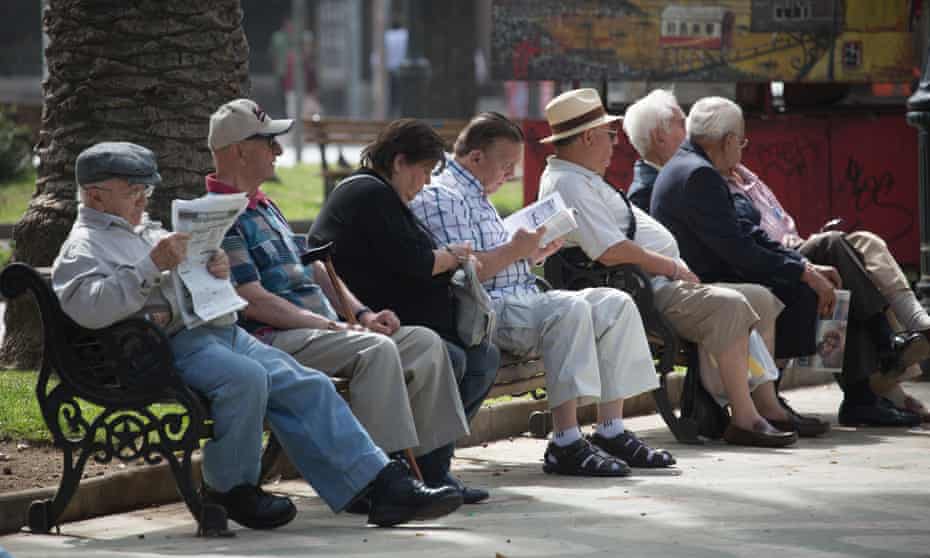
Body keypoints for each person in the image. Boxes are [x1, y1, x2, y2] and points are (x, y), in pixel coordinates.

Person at [52, 141, 463, 530]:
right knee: (246, 378)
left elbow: (181, 280)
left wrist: (211, 268)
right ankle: (231, 488)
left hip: (212, 331)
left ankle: (380, 484)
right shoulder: (84, 247)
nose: (143, 199)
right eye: (133, 190)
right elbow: (90, 308)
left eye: (145, 189)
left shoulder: (143, 231)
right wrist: (148, 267)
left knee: (309, 383)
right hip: (160, 349)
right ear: (95, 196)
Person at [204, 98, 483, 504]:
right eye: (269, 143)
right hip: (275, 337)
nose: (279, 151)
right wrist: (330, 325)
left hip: (320, 330)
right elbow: (251, 300)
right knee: (377, 351)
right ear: (240, 150)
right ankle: (380, 482)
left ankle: (430, 469)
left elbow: (316, 266)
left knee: (425, 343)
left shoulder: (264, 203)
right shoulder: (219, 213)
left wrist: (363, 314)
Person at [538, 88, 817, 447]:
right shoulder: (568, 182)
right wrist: (671, 265)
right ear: (588, 137)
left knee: (757, 299)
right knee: (731, 304)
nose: (615, 145)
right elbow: (610, 250)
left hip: (652, 282)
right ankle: (744, 417)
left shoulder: (581, 177)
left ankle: (761, 406)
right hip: (640, 289)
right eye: (610, 136)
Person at [410, 112, 675, 474]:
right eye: (506, 165)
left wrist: (531, 254)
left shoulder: (477, 192)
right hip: (489, 310)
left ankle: (611, 430)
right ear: (476, 158)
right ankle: (565, 441)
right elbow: (463, 274)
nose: (512, 175)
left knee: (616, 304)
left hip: (521, 298)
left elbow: (495, 258)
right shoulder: (445, 197)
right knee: (566, 309)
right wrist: (516, 252)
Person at [650, 96, 922, 428]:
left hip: (731, 271)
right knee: (819, 292)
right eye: (742, 142)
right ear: (728, 141)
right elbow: (739, 250)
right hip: (715, 281)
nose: (742, 150)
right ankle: (871, 373)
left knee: (831, 282)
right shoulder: (698, 175)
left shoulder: (695, 167)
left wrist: (805, 268)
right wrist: (803, 272)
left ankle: (868, 382)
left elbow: (748, 238)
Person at [308, 119, 502, 476]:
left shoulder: (384, 196)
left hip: (392, 316)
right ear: (399, 162)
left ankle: (431, 464)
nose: (426, 182)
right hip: (367, 321)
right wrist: (455, 256)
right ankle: (427, 469)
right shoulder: (370, 193)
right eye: (424, 171)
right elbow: (417, 262)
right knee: (456, 358)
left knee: (483, 357)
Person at [727, 163, 930, 421]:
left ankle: (906, 329)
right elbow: (750, 241)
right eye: (737, 139)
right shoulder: (715, 182)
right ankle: (886, 348)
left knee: (865, 244)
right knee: (832, 247)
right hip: (778, 261)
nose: (740, 147)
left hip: (795, 248)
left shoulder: (748, 178)